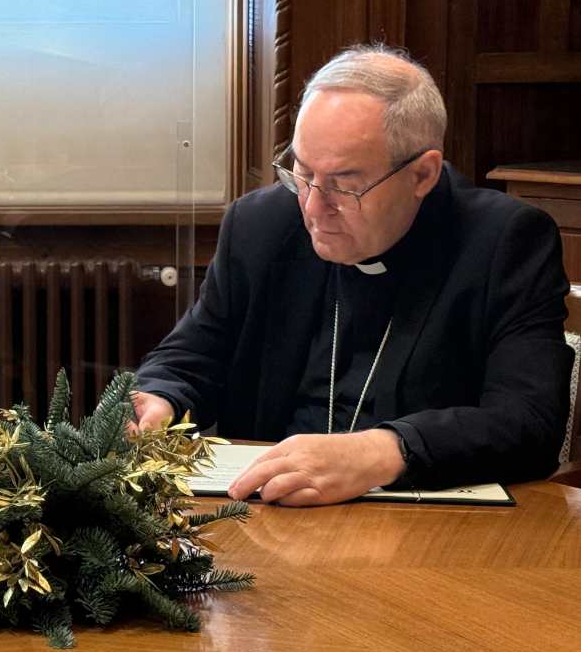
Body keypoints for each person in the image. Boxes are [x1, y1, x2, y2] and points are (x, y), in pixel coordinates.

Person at [132, 44, 572, 505]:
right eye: (301, 173)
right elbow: (191, 356)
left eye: (344, 185)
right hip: (265, 517)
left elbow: (528, 421)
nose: (313, 207)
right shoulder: (260, 226)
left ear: (422, 174)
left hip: (427, 536)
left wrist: (384, 450)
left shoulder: (504, 242)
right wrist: (161, 400)